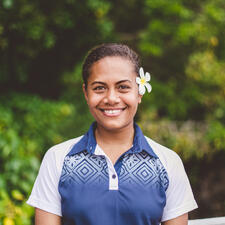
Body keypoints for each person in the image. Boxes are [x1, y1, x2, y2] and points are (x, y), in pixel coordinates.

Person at [27, 43, 198, 225]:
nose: (111, 98)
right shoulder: (58, 159)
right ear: (86, 93)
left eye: (123, 87)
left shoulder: (168, 162)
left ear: (139, 91)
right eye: (99, 88)